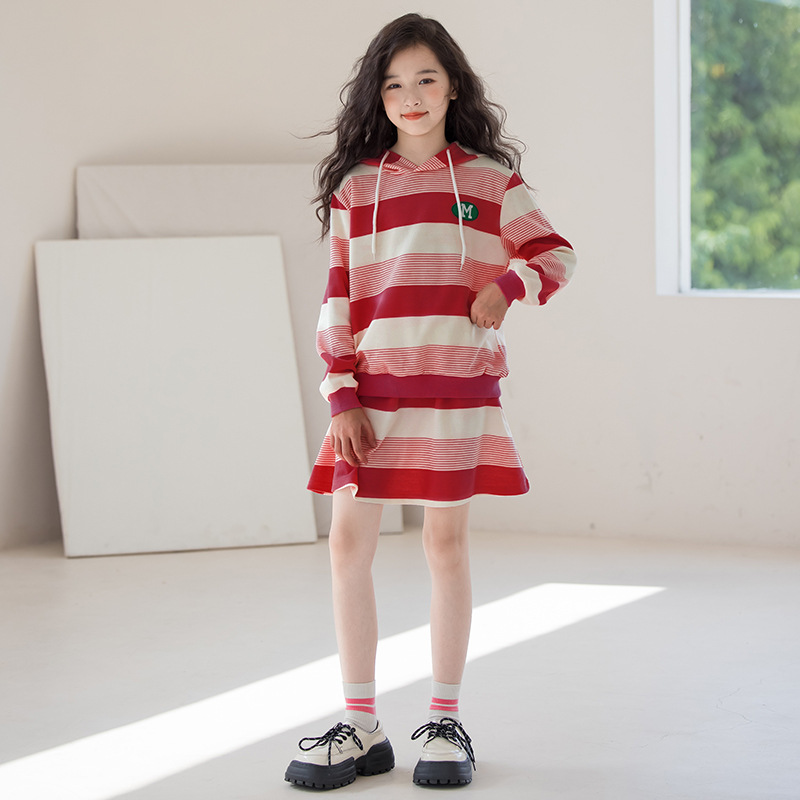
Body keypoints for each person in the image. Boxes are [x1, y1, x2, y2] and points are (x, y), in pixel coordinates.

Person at [284, 12, 576, 790]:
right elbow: (338, 297)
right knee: (348, 546)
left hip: (455, 392)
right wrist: (340, 393)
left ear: (452, 88)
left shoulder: (489, 181)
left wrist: (508, 284)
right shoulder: (356, 188)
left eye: (425, 80)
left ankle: (445, 720)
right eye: (393, 85)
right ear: (377, 98)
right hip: (370, 395)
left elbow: (556, 255)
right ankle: (361, 724)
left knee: (445, 546)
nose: (410, 97)